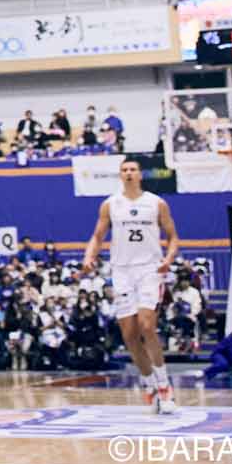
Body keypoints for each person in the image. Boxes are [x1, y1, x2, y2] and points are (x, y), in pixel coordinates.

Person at [83, 158, 179, 413]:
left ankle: (164, 386)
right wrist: (89, 256)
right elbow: (97, 236)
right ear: (120, 175)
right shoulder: (110, 204)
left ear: (140, 175)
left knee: (147, 326)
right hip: (122, 271)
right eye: (124, 170)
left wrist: (168, 259)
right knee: (129, 335)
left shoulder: (156, 203)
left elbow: (172, 237)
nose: (128, 173)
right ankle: (149, 384)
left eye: (133, 169)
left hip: (149, 269)